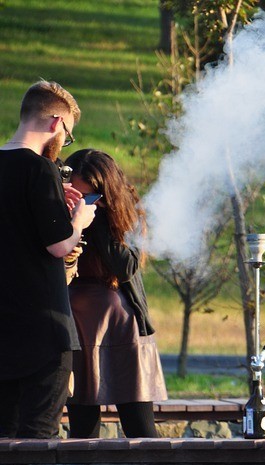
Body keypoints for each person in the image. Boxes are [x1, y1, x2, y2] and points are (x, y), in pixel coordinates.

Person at [0, 80, 96, 438]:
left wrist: (53, 193)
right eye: (68, 134)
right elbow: (58, 246)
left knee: (4, 436)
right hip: (42, 331)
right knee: (38, 439)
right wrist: (79, 220)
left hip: (4, 327)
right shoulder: (39, 169)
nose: (64, 142)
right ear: (56, 122)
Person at [63, 148, 167, 438]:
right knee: (82, 430)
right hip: (77, 326)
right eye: (76, 195)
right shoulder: (58, 212)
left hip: (120, 326)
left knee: (140, 428)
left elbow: (127, 267)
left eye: (90, 197)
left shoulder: (124, 213)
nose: (80, 203)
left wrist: (94, 221)